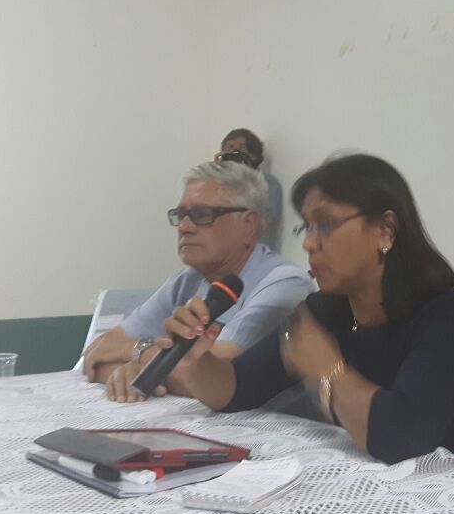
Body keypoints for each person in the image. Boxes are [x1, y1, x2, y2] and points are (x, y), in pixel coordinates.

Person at [149, 153, 454, 467]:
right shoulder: (323, 312)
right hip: (381, 485)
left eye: (325, 225)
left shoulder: (451, 317)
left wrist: (327, 369)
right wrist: (198, 360)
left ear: (386, 230)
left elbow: (401, 438)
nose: (309, 244)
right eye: (306, 228)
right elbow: (235, 391)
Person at [80, 161, 313, 401]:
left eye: (202, 215)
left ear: (248, 224)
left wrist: (139, 358)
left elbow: (221, 376)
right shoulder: (186, 280)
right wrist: (134, 367)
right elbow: (98, 353)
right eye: (180, 215)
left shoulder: (285, 283)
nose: (184, 227)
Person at [216, 128, 283, 251]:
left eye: (242, 147)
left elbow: (263, 223)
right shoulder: (217, 184)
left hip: (257, 254)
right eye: (230, 147)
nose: (235, 151)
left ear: (253, 154)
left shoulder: (268, 183)